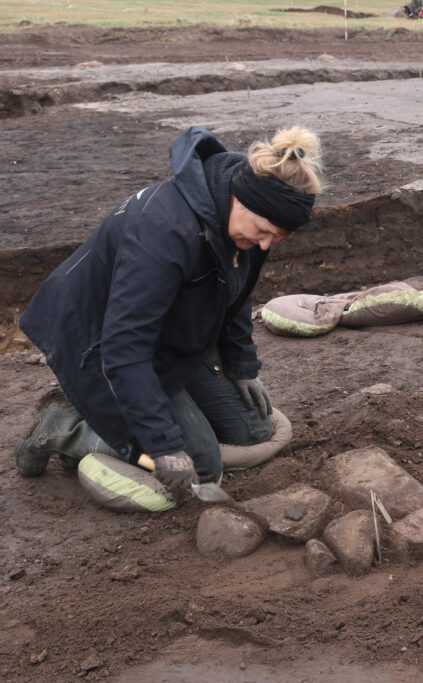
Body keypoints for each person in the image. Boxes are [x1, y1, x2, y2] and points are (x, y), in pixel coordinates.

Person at [14, 125, 322, 501]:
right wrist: (163, 444)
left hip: (169, 334)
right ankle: (66, 427)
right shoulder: (163, 233)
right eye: (263, 231)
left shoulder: (249, 223)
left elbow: (236, 294)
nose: (265, 243)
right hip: (97, 340)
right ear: (240, 201)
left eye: (276, 236)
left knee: (252, 433)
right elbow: (124, 348)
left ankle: (152, 419)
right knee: (202, 467)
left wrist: (242, 366)